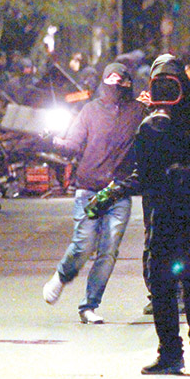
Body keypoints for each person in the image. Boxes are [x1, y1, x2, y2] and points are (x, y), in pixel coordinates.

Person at [108, 54, 190, 374]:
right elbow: (144, 172)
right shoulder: (151, 124)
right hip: (162, 212)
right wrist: (115, 192)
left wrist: (185, 174)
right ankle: (170, 353)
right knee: (160, 283)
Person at [41, 63, 146, 324]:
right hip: (88, 188)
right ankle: (62, 276)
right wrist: (52, 142)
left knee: (108, 251)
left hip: (119, 192)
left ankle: (89, 305)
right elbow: (73, 145)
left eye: (120, 79)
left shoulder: (138, 111)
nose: (115, 84)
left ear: (128, 83)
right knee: (84, 244)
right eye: (110, 78)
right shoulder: (90, 110)